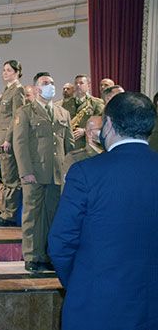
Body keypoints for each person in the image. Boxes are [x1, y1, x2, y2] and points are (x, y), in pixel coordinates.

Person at [48, 92, 158, 330]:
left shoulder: (85, 173)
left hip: (96, 304)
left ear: (108, 124)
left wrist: (78, 282)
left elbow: (60, 242)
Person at [13, 72, 74, 273]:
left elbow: (69, 144)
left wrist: (68, 169)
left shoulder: (62, 112)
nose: (50, 86)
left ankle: (47, 254)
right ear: (37, 88)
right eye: (46, 83)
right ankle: (32, 256)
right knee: (32, 215)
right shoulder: (25, 112)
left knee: (52, 215)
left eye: (52, 82)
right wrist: (26, 172)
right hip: (34, 173)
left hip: (57, 173)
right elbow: (20, 145)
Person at [0, 60, 25, 227]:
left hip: (7, 140)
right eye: (3, 70)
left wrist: (8, 139)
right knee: (6, 178)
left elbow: (16, 117)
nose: (5, 73)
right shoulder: (7, 90)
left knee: (11, 179)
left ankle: (9, 215)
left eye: (9, 70)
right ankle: (5, 212)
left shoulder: (18, 91)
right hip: (1, 139)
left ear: (17, 72)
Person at [61, 74, 104, 150]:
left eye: (81, 83)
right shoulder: (66, 104)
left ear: (88, 86)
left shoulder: (96, 103)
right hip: (70, 146)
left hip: (88, 146)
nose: (78, 85)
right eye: (76, 83)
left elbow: (101, 123)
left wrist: (84, 131)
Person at [62, 115, 103, 180]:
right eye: (101, 129)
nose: (105, 133)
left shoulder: (111, 155)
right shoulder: (74, 159)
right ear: (89, 133)